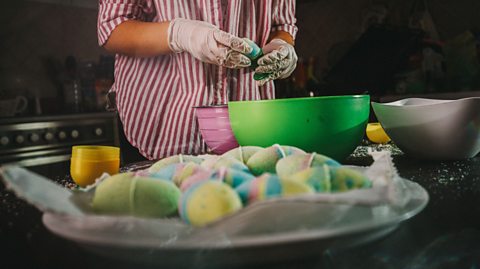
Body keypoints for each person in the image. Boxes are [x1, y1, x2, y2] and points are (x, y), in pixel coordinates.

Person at [98, 0, 298, 161]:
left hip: (249, 125)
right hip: (159, 121)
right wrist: (179, 33)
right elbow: (113, 27)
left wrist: (281, 45)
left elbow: (281, 24)